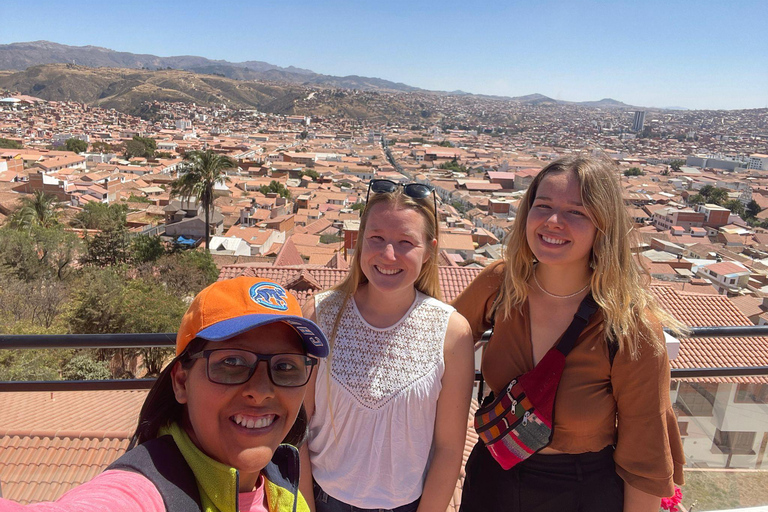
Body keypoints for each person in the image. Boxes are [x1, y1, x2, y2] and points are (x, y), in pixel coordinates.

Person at [453, 156, 686, 512]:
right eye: (542, 205)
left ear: (603, 227)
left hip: (579, 492)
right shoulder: (502, 284)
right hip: (492, 476)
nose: (553, 222)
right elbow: (433, 343)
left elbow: (644, 460)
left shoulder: (629, 326)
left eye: (576, 212)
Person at [0, 277, 329, 512]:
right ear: (182, 382)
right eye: (232, 363)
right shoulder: (148, 490)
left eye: (286, 368)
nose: (260, 390)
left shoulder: (282, 486)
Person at [298, 179, 475, 512]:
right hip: (323, 502)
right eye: (376, 238)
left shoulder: (452, 333)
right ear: (359, 242)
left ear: (430, 250)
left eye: (405, 242)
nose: (388, 254)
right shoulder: (320, 314)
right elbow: (299, 427)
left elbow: (449, 449)